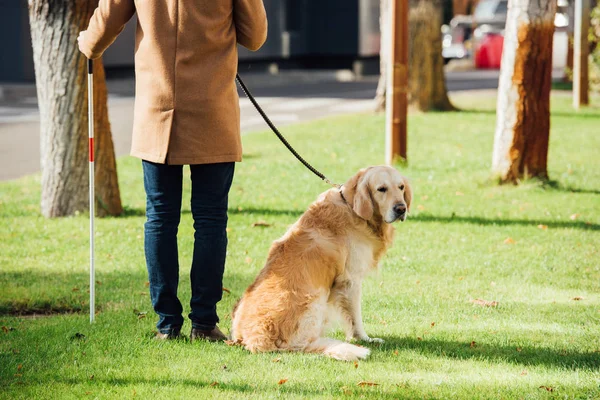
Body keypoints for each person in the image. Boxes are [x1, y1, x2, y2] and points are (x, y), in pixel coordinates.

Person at [78, 0, 268, 341]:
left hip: (158, 106)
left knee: (160, 217)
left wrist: (88, 43)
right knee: (210, 219)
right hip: (213, 108)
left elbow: (105, 23)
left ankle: (167, 324)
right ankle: (204, 323)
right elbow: (255, 36)